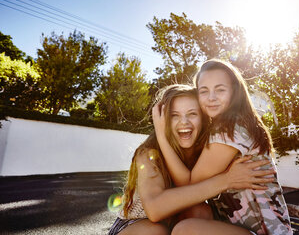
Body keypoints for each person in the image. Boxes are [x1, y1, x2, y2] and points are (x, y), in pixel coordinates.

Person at [109, 84, 275, 235]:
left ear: (203, 118)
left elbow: (190, 188)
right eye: (175, 115)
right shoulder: (149, 153)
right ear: (163, 120)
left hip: (173, 225)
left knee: (200, 212)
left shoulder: (208, 150)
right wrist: (227, 180)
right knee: (154, 232)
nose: (184, 122)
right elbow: (154, 210)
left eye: (192, 114)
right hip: (134, 226)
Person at [153, 60, 292, 235]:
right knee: (192, 212)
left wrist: (161, 134)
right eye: (204, 91)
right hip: (239, 227)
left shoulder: (231, 128)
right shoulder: (229, 125)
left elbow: (188, 185)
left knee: (185, 230)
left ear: (234, 91)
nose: (211, 97)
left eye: (220, 90)